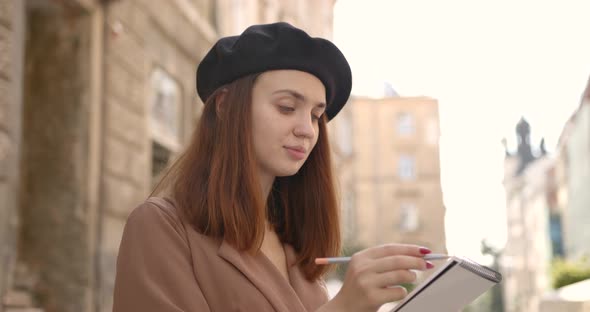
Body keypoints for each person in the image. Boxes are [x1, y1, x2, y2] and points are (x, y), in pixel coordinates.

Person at [112, 22, 434, 312]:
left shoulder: (295, 246)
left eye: (314, 115)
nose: (307, 130)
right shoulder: (162, 227)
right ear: (225, 106)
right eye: (287, 107)